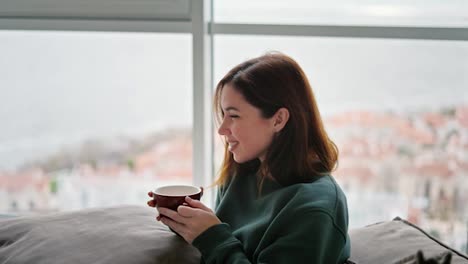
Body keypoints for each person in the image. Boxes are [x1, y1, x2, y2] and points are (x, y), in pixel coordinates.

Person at [147, 52, 350, 263]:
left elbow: (222, 246)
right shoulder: (242, 172)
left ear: (278, 120)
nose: (222, 129)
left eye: (234, 116)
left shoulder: (314, 211)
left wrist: (211, 237)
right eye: (223, 115)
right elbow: (227, 247)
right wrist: (189, 225)